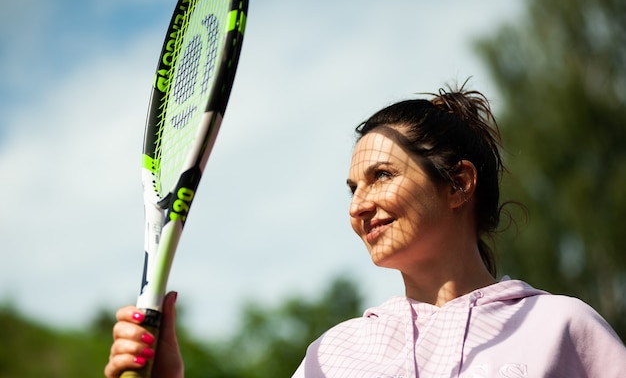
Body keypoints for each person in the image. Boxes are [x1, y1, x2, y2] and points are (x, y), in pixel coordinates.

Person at [105, 86, 626, 378]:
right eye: (351, 188)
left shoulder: (563, 328)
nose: (359, 206)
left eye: (381, 176)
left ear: (459, 184)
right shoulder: (330, 357)